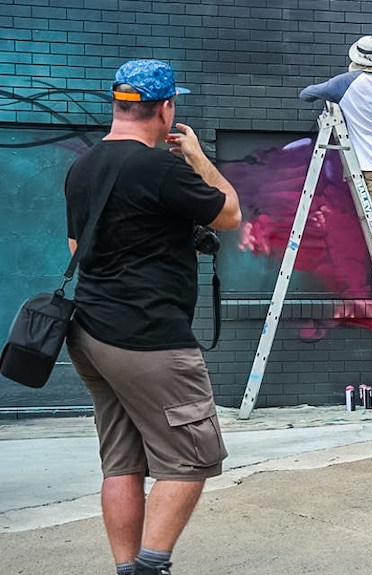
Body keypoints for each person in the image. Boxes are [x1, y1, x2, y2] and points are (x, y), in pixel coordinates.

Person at [64, 59, 241, 575]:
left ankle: (128, 569)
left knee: (123, 460)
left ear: (118, 105)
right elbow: (230, 214)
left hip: (90, 331)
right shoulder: (160, 167)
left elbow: (78, 244)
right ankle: (149, 568)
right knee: (193, 457)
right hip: (148, 339)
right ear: (165, 109)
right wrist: (200, 159)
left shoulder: (83, 167)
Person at [299, 35, 372, 294]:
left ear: (356, 58)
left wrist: (334, 93)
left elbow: (306, 94)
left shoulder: (344, 83)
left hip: (371, 162)